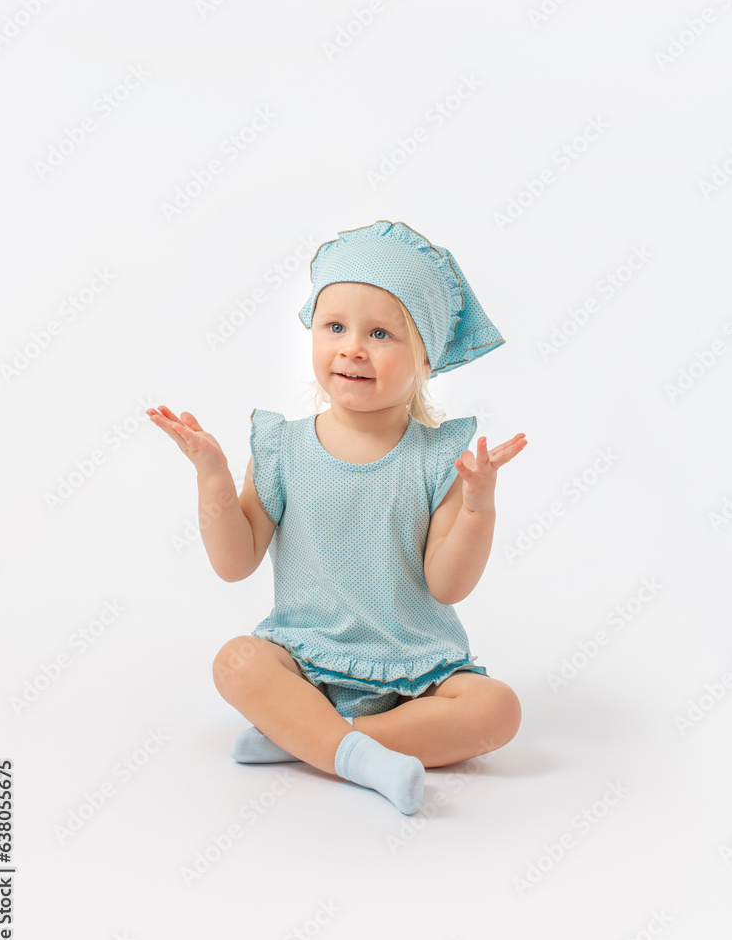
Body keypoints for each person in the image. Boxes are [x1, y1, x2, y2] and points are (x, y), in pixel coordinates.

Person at [147, 219, 526, 816]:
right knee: (237, 661)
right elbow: (233, 562)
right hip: (305, 665)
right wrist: (213, 475)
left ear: (425, 358)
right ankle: (358, 756)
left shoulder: (439, 460)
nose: (351, 347)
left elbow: (447, 584)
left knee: (498, 709)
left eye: (380, 333)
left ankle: (309, 739)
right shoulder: (281, 448)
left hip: (417, 677)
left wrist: (478, 507)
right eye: (335, 327)